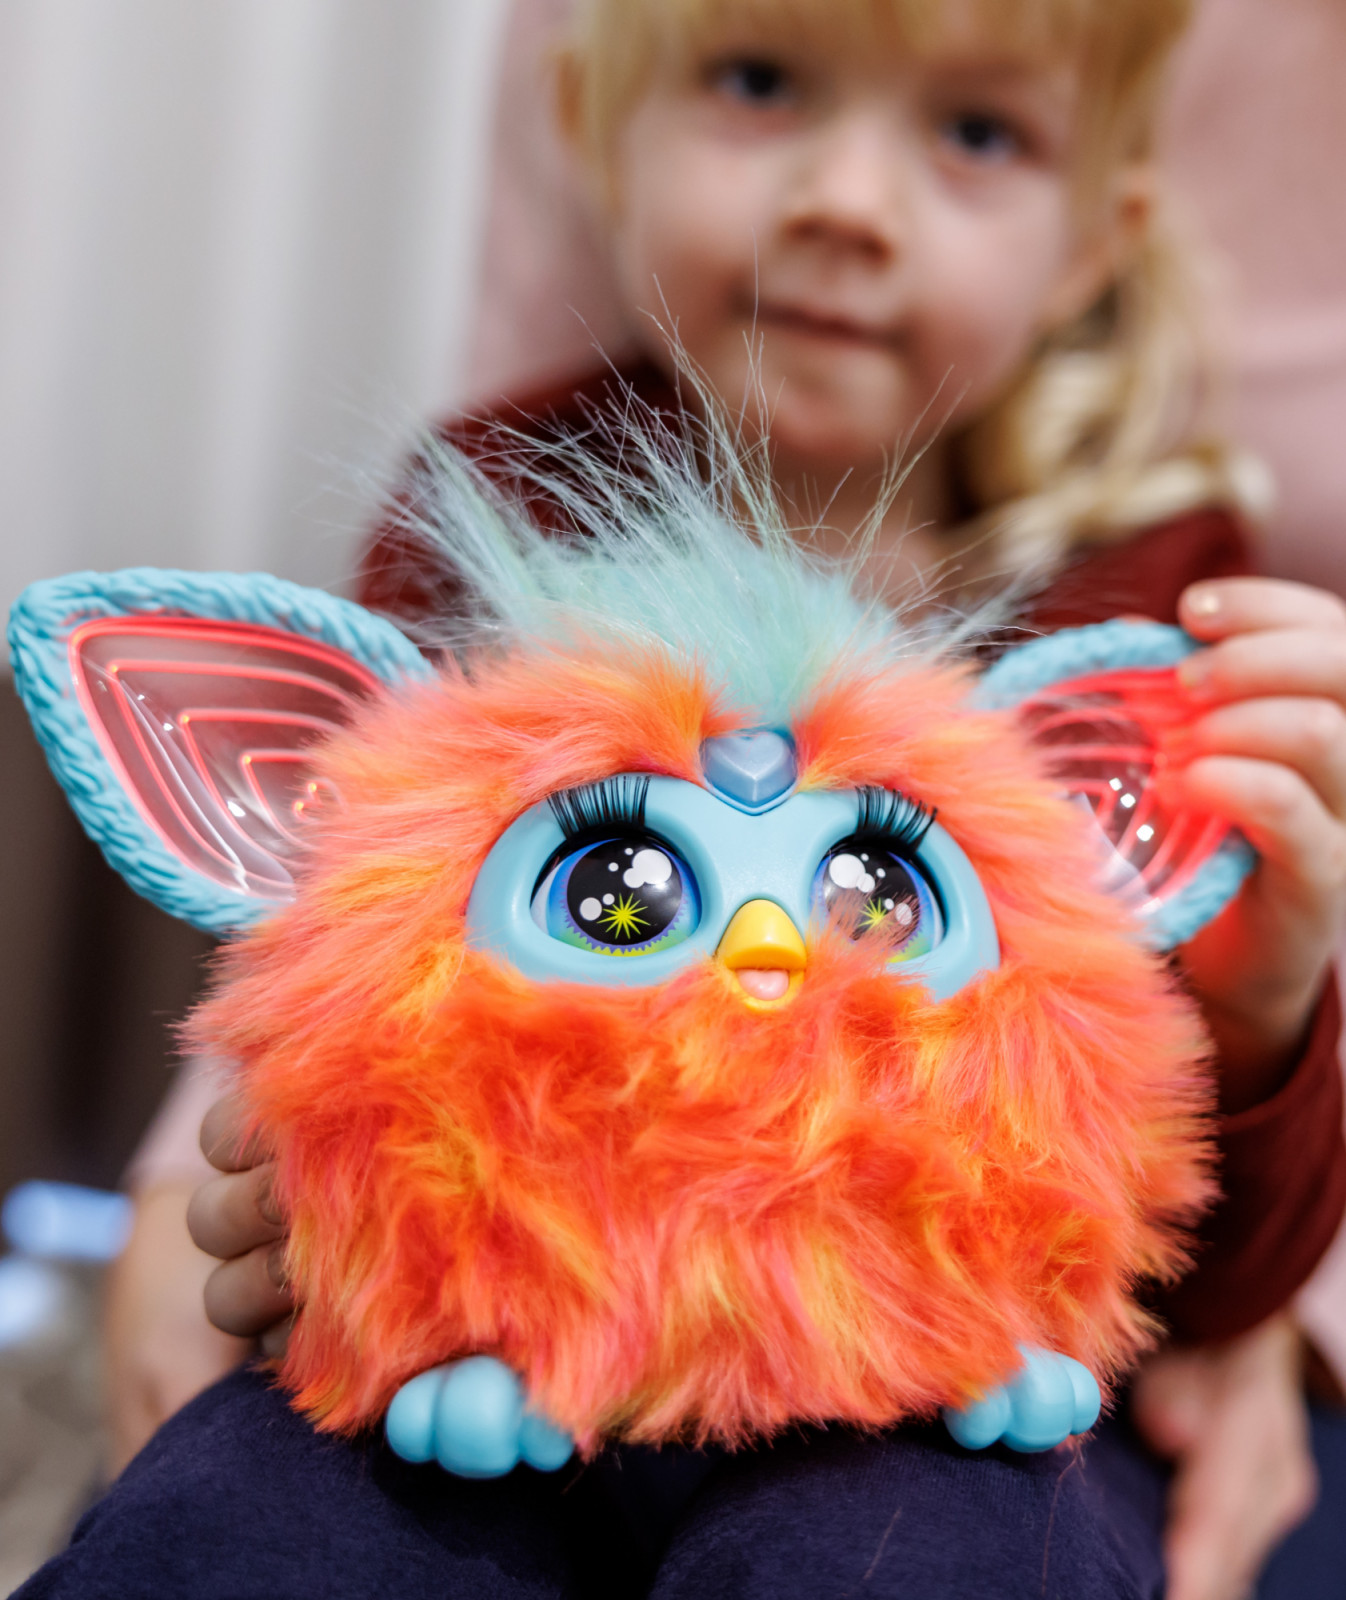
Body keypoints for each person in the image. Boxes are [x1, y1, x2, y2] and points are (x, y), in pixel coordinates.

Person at [68, 0, 1346, 1595]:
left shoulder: (1144, 605)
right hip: (495, 1353)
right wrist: (247, 1174)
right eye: (758, 81)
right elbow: (319, 964)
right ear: (598, 135)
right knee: (238, 1521)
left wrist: (1267, 999)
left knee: (931, 1552)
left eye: (975, 134)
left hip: (926, 1388)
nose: (846, 203)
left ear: (1097, 241)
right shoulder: (491, 507)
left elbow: (1185, 1257)